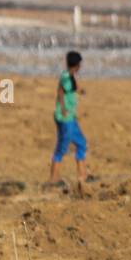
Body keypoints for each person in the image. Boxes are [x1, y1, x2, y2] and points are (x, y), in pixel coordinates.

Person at [49, 50, 88, 191]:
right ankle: (54, 179)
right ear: (77, 65)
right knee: (62, 148)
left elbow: (71, 89)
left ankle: (82, 175)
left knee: (82, 143)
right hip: (65, 119)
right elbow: (60, 91)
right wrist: (64, 108)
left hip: (71, 117)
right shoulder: (66, 77)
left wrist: (80, 91)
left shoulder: (71, 76)